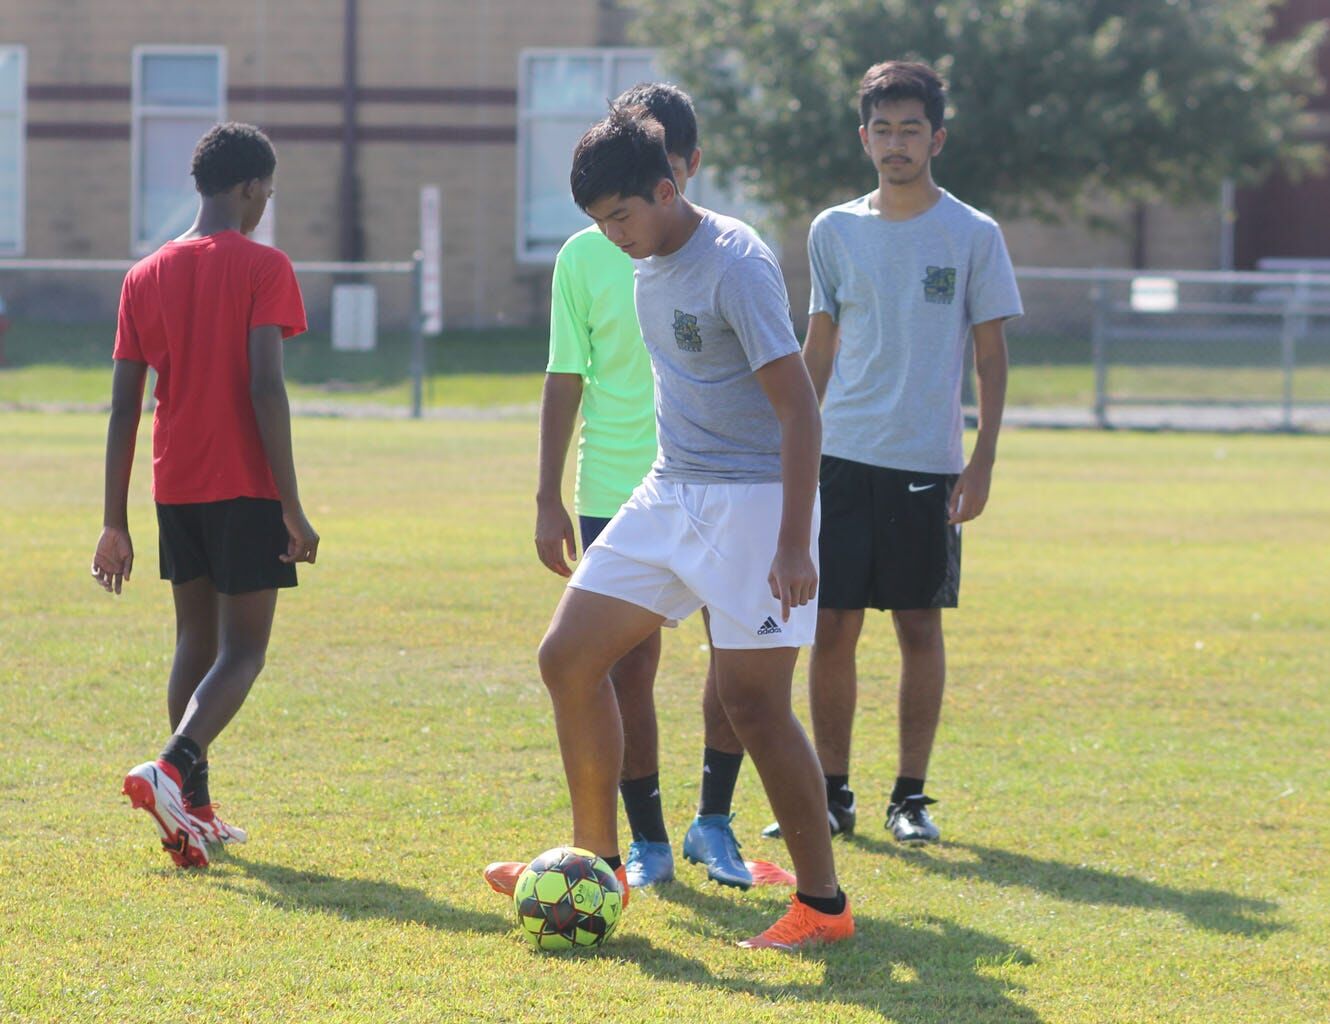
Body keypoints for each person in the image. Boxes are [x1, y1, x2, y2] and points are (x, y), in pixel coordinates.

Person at [490, 108, 852, 949]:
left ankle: (824, 907)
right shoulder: (645, 253)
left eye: (621, 217)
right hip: (669, 490)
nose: (613, 237)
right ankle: (596, 868)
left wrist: (795, 541)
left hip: (756, 503)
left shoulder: (737, 264)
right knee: (568, 658)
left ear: (668, 187)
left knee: (753, 704)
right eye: (597, 224)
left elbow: (800, 411)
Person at [764, 61, 1021, 847]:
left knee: (918, 627)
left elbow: (992, 360)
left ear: (936, 137)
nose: (897, 142)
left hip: (928, 463)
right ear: (864, 136)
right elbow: (817, 350)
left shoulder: (973, 234)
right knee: (832, 628)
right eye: (883, 128)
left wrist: (981, 462)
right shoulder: (834, 230)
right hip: (840, 458)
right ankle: (831, 793)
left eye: (912, 128)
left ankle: (909, 797)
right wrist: (787, 448)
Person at [529, 83, 772, 890]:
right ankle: (641, 844)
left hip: (724, 488)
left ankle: (715, 823)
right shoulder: (591, 250)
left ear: (682, 169)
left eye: (665, 155)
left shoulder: (724, 257)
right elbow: (566, 375)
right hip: (620, 485)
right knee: (617, 665)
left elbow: (784, 391)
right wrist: (546, 493)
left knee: (734, 669)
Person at [93, 122, 318, 868]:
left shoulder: (144, 274)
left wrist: (112, 522)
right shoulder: (264, 265)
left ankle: (190, 810)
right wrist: (291, 506)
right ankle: (170, 765)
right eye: (268, 194)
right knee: (244, 649)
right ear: (251, 187)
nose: (265, 208)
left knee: (195, 638)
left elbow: (125, 406)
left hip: (174, 483)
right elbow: (264, 386)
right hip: (244, 483)